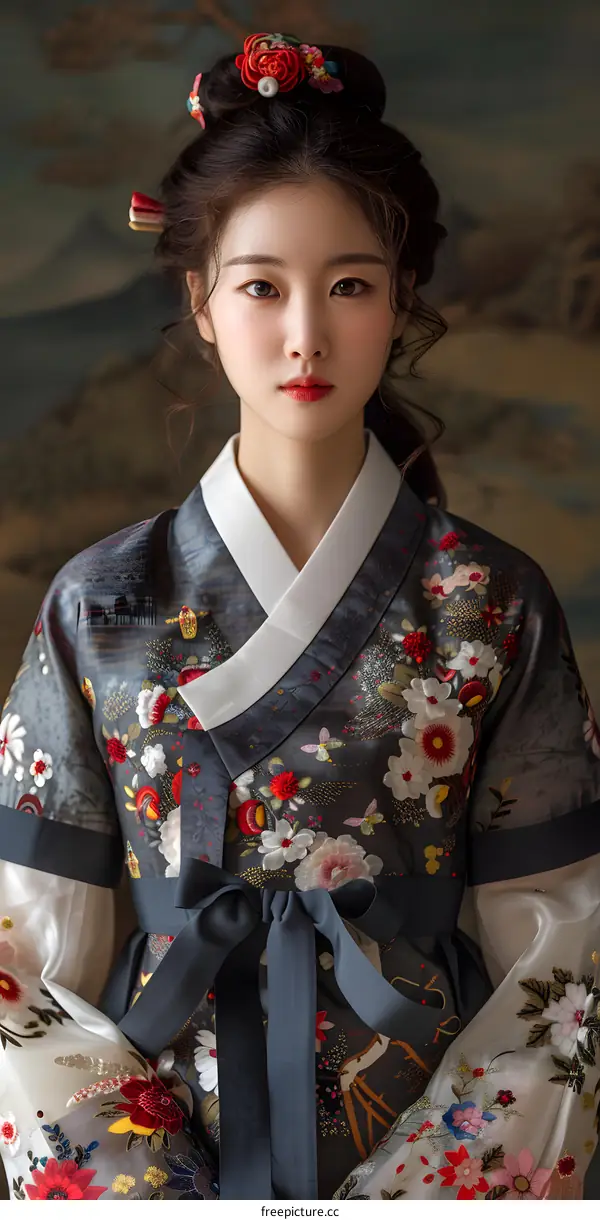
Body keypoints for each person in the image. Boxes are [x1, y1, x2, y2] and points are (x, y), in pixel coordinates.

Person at [1, 31, 599, 1203]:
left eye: (352, 285)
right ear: (202, 300)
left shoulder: (494, 603)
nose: (306, 335)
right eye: (262, 285)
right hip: (162, 1134)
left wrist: (421, 1193)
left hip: (431, 1130)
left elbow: (568, 964)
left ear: (401, 297)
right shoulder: (102, 602)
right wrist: (150, 1186)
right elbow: (16, 965)